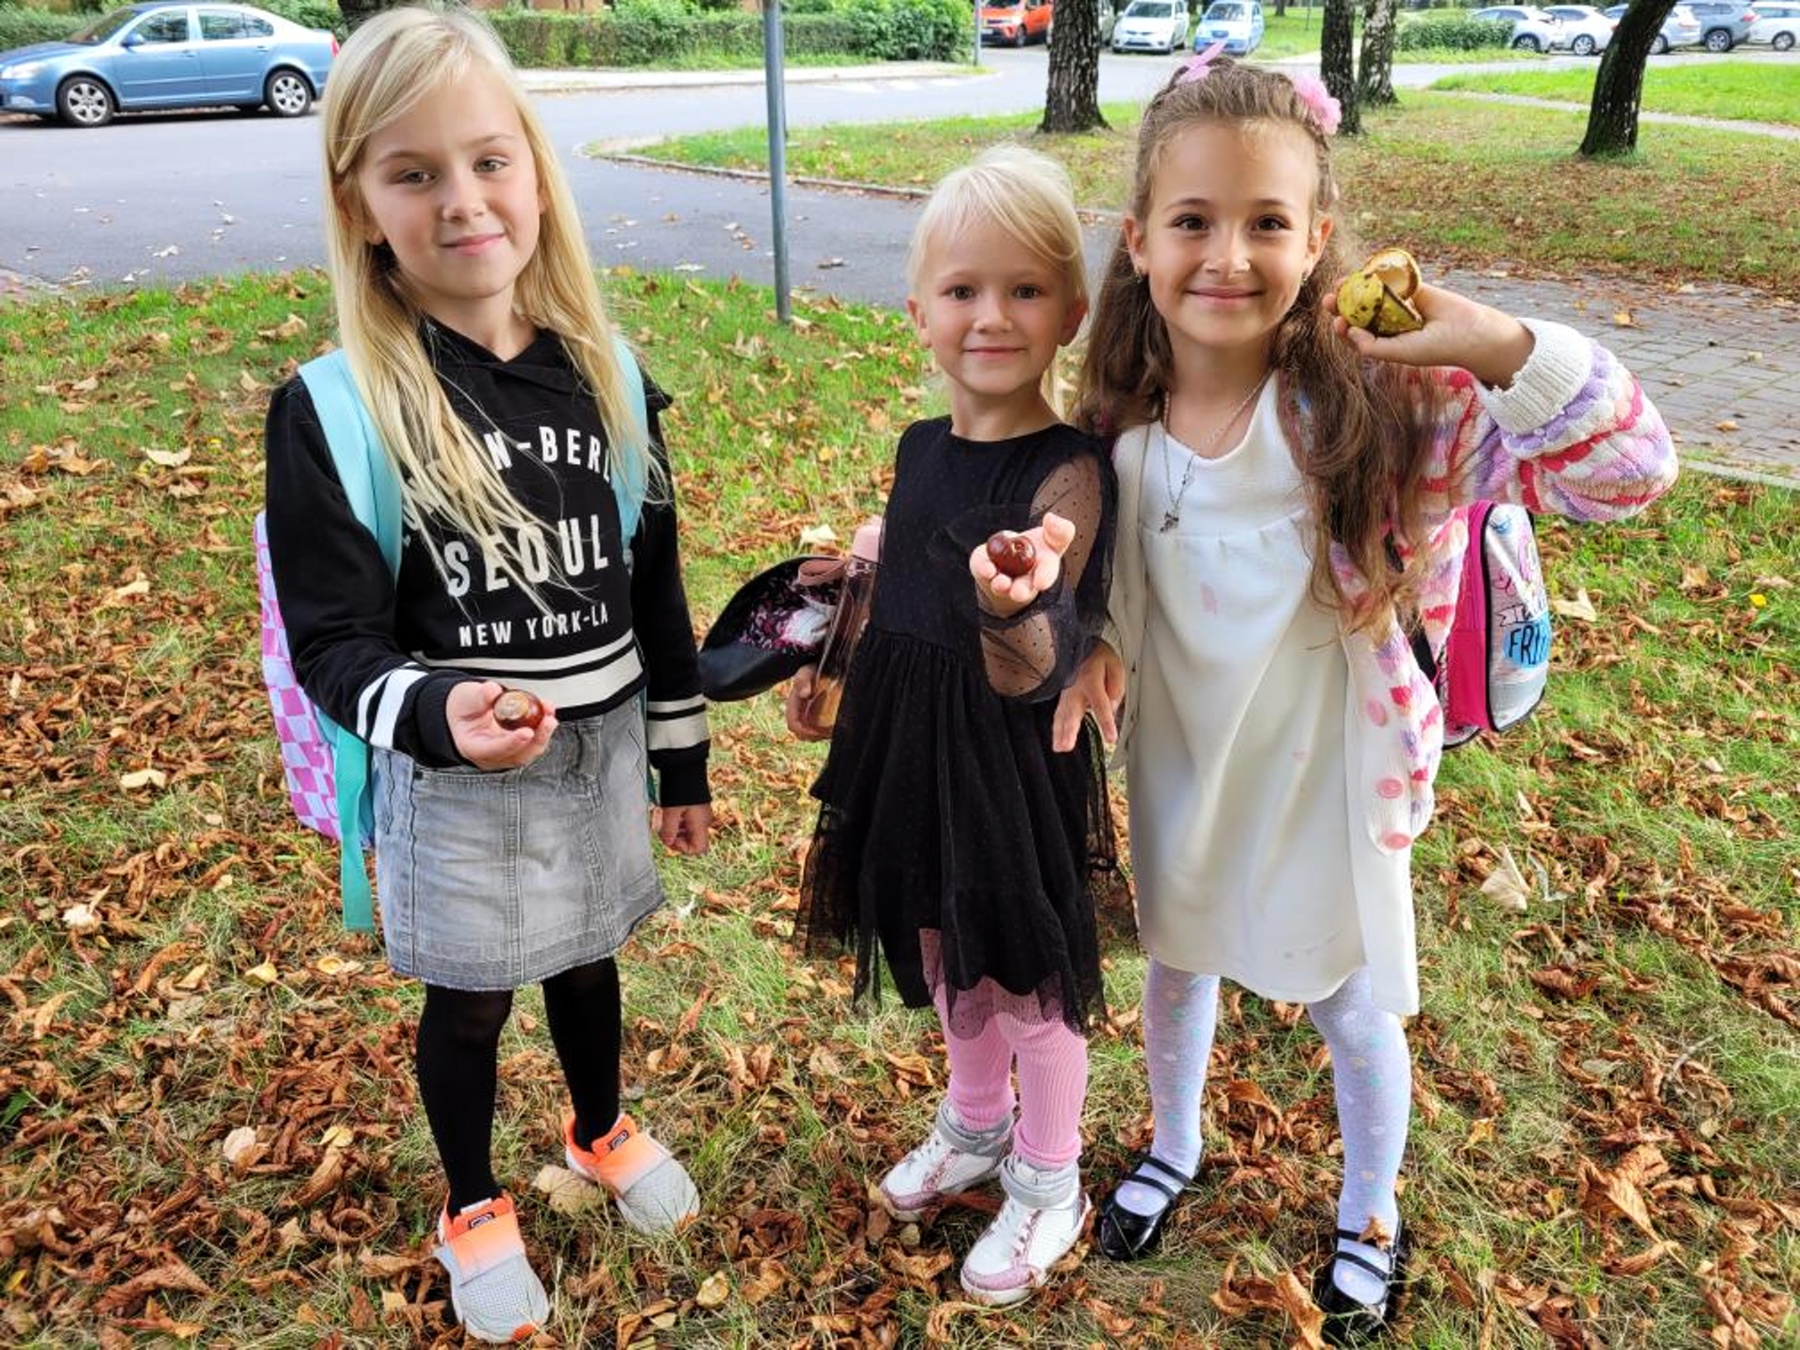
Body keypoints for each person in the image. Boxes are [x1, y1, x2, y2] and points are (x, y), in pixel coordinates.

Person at [1058, 50, 1677, 1343]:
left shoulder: (1388, 409)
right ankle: (1173, 1144)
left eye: (1267, 222)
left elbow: (1629, 471)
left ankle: (1369, 1212)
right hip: (1182, 759)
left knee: (1349, 999)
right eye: (1193, 220)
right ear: (1138, 238)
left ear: (1318, 238)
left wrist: (1493, 341)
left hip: (1329, 772)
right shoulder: (1114, 420)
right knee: (1178, 956)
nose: (1229, 255)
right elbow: (1111, 577)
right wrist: (1095, 644)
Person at [262, 8, 713, 1343]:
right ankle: (470, 1200)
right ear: (361, 205)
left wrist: (681, 758)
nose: (462, 200)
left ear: (536, 171)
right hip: (453, 777)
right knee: (470, 1000)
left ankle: (598, 1125)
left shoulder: (610, 377)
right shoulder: (337, 407)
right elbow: (332, 640)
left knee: (586, 957)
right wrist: (439, 713)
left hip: (599, 750)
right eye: (415, 173)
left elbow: (655, 589)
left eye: (488, 160)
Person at [784, 145, 1118, 1307]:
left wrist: (1011, 594)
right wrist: (833, 662)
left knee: (1024, 976)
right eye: (964, 290)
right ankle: (975, 1126)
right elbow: (898, 585)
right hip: (905, 739)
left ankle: (1049, 1178)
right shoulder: (920, 447)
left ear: (1071, 312)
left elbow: (1033, 666)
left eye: (1025, 290)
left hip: (1005, 763)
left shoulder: (1068, 472)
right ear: (919, 311)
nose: (992, 316)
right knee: (940, 946)